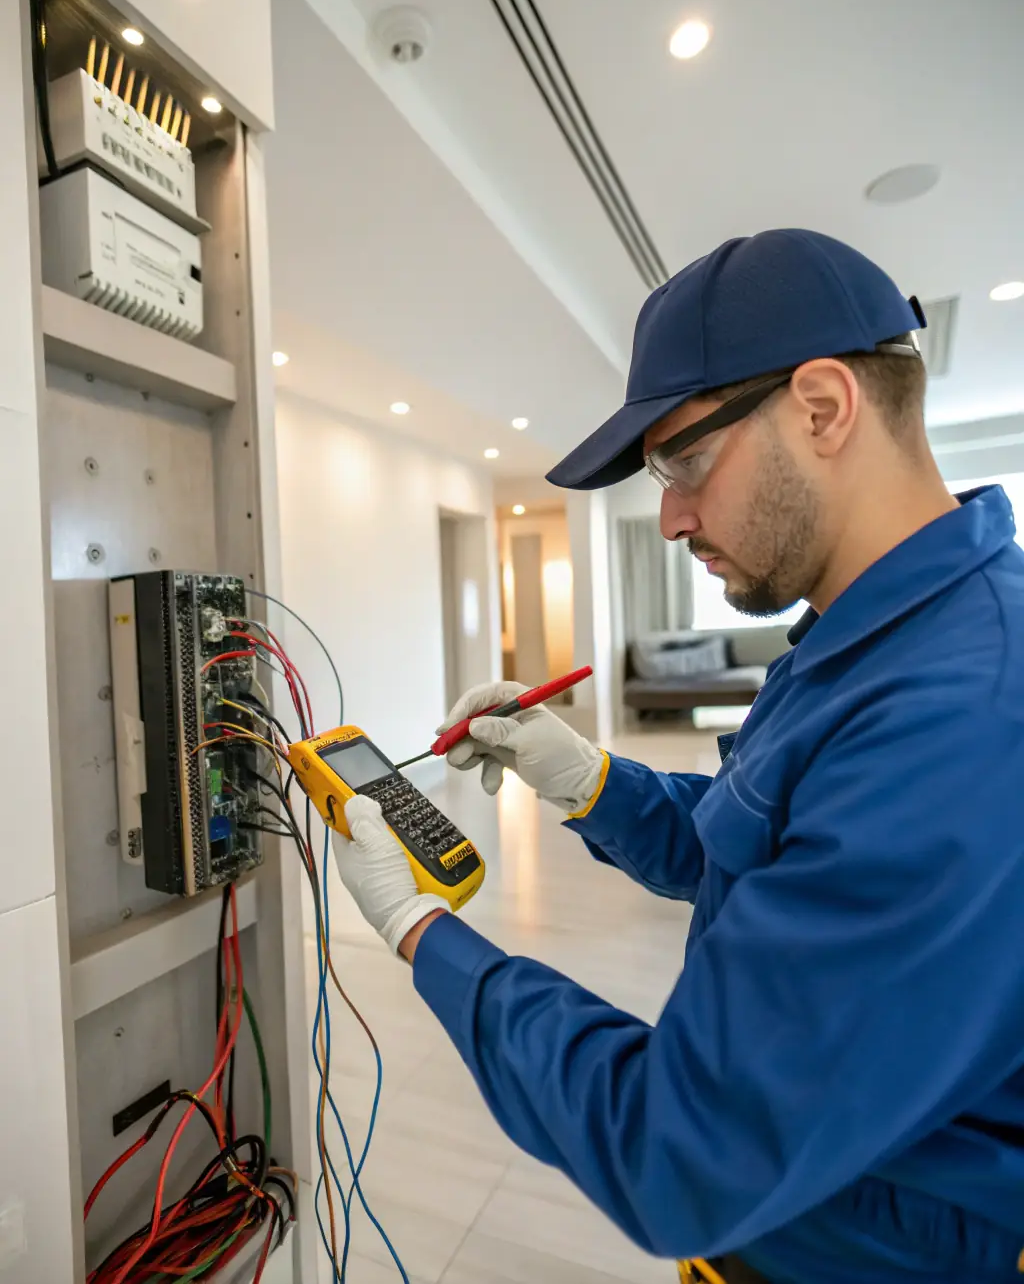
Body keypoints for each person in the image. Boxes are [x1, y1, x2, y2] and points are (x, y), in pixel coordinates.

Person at [334, 229, 1024, 1284]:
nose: (666, 517)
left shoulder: (963, 712)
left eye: (683, 460)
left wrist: (423, 931)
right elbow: (755, 853)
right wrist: (584, 777)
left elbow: (681, 1150)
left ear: (824, 407)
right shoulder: (858, 635)